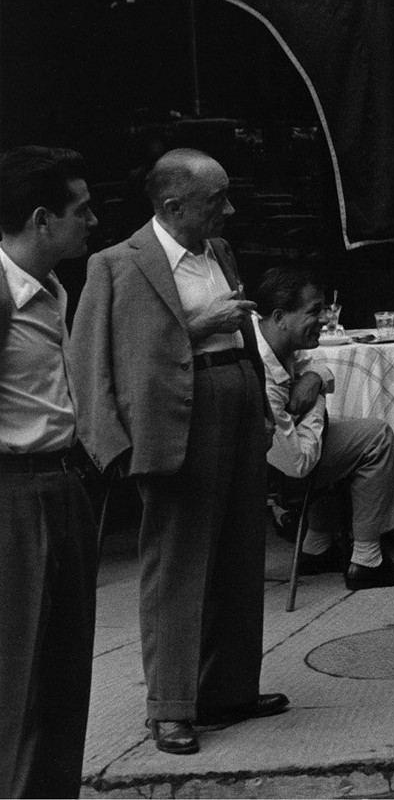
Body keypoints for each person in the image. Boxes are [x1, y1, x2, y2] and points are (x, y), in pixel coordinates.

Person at [70, 148, 285, 755]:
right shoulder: (115, 265)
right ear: (173, 205)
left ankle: (229, 690)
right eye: (217, 200)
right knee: (177, 563)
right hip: (172, 420)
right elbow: (92, 361)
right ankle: (170, 707)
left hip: (236, 404)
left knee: (240, 551)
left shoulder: (219, 252)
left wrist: (263, 410)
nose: (230, 209)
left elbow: (243, 334)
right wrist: (108, 445)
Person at [1, 147, 98, 796]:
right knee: (21, 690)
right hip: (16, 499)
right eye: (81, 209)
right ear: (41, 220)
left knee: (65, 681)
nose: (93, 219)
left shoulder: (54, 290)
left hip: (63, 488)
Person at [251, 267, 394, 591]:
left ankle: (317, 547)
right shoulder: (263, 372)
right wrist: (315, 401)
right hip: (272, 475)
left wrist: (313, 379)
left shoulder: (271, 338)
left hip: (280, 454)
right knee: (376, 437)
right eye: (314, 311)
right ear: (280, 316)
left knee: (338, 434)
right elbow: (298, 464)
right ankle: (367, 560)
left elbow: (315, 369)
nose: (325, 319)